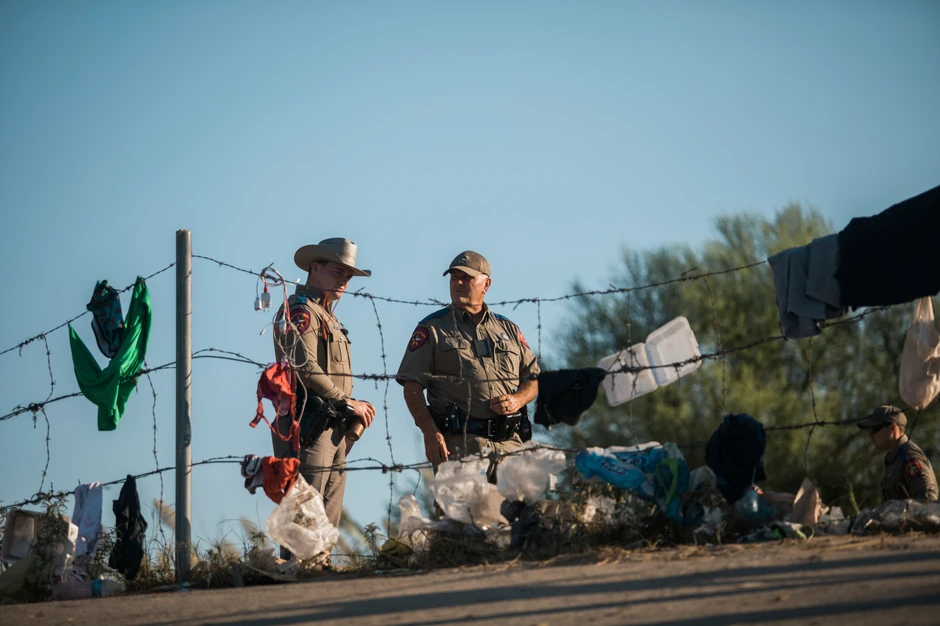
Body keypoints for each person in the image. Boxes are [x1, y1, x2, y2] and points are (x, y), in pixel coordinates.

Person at [396, 250, 540, 478]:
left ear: (486, 285)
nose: (458, 283)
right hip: (460, 446)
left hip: (511, 444)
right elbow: (411, 386)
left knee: (515, 511)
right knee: (463, 513)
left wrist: (517, 399)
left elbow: (533, 380)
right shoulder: (433, 328)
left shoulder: (508, 329)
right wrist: (430, 432)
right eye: (454, 278)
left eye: (467, 277)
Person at [271, 237, 376, 530]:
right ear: (315, 268)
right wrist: (348, 402)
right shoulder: (301, 310)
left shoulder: (328, 316)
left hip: (333, 425)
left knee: (327, 518)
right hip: (308, 423)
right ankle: (299, 571)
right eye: (337, 272)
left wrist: (347, 406)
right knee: (306, 512)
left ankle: (318, 572)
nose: (344, 281)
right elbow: (304, 367)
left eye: (348, 276)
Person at [857, 405, 938, 502]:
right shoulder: (896, 457)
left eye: (874, 429)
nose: (870, 435)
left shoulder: (908, 457)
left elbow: (928, 499)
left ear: (892, 428)